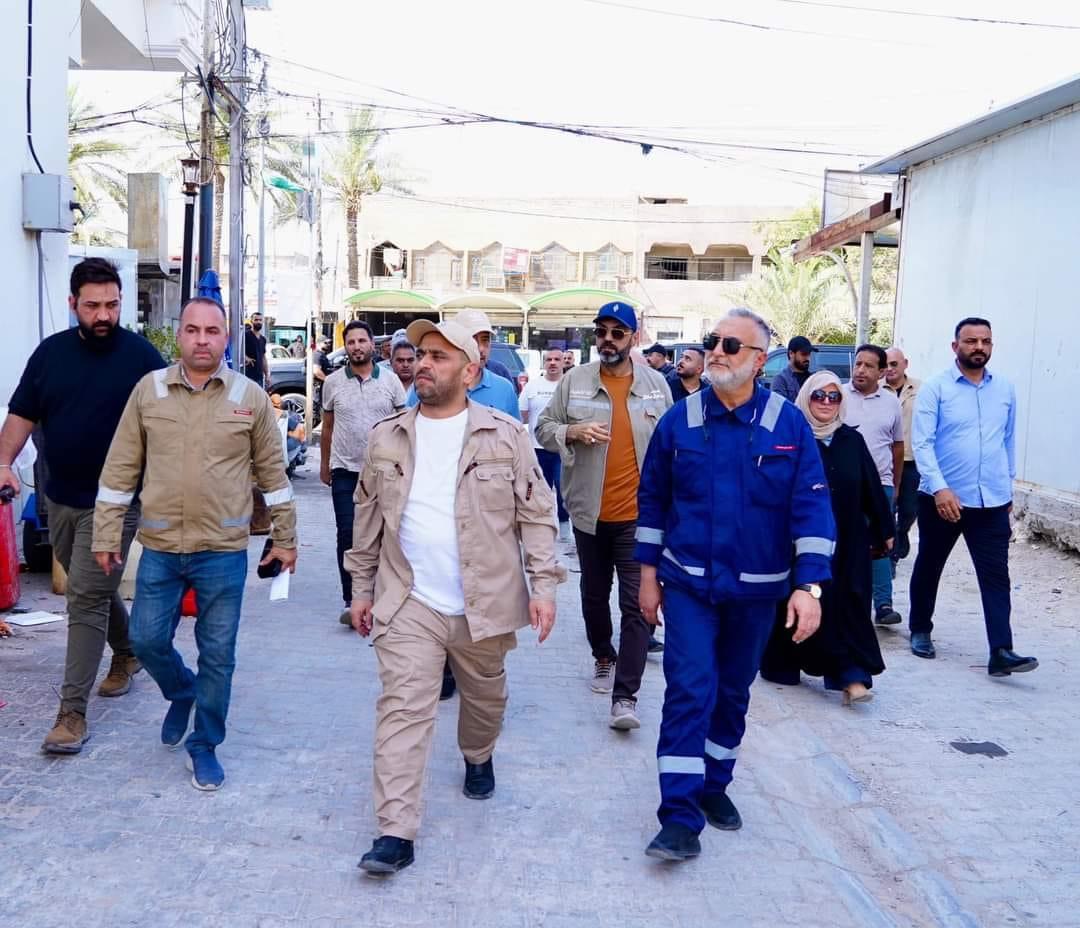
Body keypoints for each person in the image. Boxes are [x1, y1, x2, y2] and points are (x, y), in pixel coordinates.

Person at [345, 319, 562, 875]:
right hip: (408, 600)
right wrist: (361, 589)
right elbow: (366, 520)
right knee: (402, 709)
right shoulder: (387, 436)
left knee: (485, 701)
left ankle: (478, 753)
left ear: (470, 371)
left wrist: (543, 586)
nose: (423, 363)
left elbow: (538, 515)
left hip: (484, 602)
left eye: (439, 357)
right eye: (421, 353)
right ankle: (395, 832)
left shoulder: (505, 435)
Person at [634, 307, 835, 862]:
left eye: (730, 344)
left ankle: (714, 784)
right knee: (689, 689)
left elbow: (812, 508)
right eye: (712, 341)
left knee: (732, 692)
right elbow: (653, 501)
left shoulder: (787, 425)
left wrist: (809, 587)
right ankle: (679, 816)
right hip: (688, 585)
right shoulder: (679, 421)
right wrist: (647, 577)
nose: (716, 352)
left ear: (759, 359)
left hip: (757, 591)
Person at [92, 297, 297, 790]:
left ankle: (204, 742)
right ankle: (182, 691)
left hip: (222, 550)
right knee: (146, 640)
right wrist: (106, 532)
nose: (202, 340)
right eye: (192, 330)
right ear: (179, 334)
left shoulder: (249, 397)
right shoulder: (150, 391)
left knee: (218, 655)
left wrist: (285, 538)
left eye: (212, 331)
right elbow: (120, 469)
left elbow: (274, 476)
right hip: (161, 546)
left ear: (227, 337)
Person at [0, 258, 166, 754]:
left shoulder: (142, 358)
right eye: (92, 306)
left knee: (86, 598)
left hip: (116, 503)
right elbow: (21, 414)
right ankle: (128, 652)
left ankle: (71, 714)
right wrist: (3, 462)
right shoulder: (50, 355)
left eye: (112, 305)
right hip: (60, 496)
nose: (103, 315)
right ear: (73, 303)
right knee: (88, 587)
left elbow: (168, 427)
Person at [537, 301, 672, 731]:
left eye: (617, 332)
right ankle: (602, 655)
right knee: (595, 596)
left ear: (634, 337)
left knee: (636, 604)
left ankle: (625, 696)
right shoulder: (574, 381)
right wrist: (571, 432)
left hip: (639, 517)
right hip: (588, 514)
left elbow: (673, 447)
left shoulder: (656, 387)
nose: (608, 340)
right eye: (602, 332)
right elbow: (542, 428)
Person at [908, 318, 1036, 675]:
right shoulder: (936, 388)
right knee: (930, 564)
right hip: (941, 500)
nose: (979, 347)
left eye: (985, 341)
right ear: (955, 346)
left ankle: (1001, 650)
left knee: (996, 576)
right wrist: (939, 488)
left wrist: (1006, 488)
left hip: (991, 501)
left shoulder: (1005, 389)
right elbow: (922, 443)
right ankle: (920, 629)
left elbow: (1007, 440)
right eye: (971, 341)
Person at [760, 371, 893, 706]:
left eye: (834, 397)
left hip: (848, 542)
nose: (826, 402)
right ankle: (788, 661)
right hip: (800, 541)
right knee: (797, 604)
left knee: (848, 605)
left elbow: (871, 488)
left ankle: (851, 674)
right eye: (818, 395)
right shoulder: (791, 438)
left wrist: (885, 531)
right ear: (806, 397)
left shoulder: (851, 440)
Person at [320, 320, 406, 626]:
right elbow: (327, 427)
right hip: (345, 469)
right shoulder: (333, 383)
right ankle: (350, 598)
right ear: (346, 347)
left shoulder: (391, 382)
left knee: (384, 534)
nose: (356, 347)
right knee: (348, 533)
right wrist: (324, 465)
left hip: (383, 471)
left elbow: (403, 427)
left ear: (372, 345)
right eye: (351, 342)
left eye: (361, 341)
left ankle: (381, 595)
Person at [842, 344, 904, 627]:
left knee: (880, 545)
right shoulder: (838, 396)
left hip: (881, 484)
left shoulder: (891, 402)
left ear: (881, 372)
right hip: (846, 485)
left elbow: (897, 446)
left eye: (868, 366)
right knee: (846, 544)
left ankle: (883, 604)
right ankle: (847, 603)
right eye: (858, 364)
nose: (861, 370)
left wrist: (895, 486)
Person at [405, 310, 519, 420]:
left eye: (485, 340)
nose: (481, 348)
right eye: (472, 340)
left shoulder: (504, 389)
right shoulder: (427, 387)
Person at [520, 347, 569, 532]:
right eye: (549, 359)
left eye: (557, 359)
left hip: (562, 448)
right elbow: (522, 415)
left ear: (564, 362)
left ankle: (564, 527)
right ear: (544, 363)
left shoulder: (569, 385)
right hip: (536, 448)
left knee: (563, 489)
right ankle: (543, 528)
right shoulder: (532, 386)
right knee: (540, 491)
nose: (553, 363)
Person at [883, 348, 921, 563]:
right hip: (885, 460)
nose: (890, 369)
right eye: (886, 364)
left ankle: (901, 531)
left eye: (894, 364)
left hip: (911, 460)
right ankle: (891, 557)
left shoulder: (921, 389)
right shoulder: (877, 389)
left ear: (905, 364)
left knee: (909, 508)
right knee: (887, 507)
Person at [770, 335, 816, 402]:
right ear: (791, 353)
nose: (807, 358)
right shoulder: (781, 380)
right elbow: (779, 406)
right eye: (803, 354)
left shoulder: (813, 378)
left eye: (809, 354)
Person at [244, 312, 268, 387]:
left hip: (259, 377)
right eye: (256, 320)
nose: (258, 322)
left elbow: (263, 357)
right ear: (251, 321)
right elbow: (238, 351)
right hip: (247, 376)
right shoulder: (245, 335)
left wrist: (267, 375)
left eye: (260, 320)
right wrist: (246, 357)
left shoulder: (263, 339)